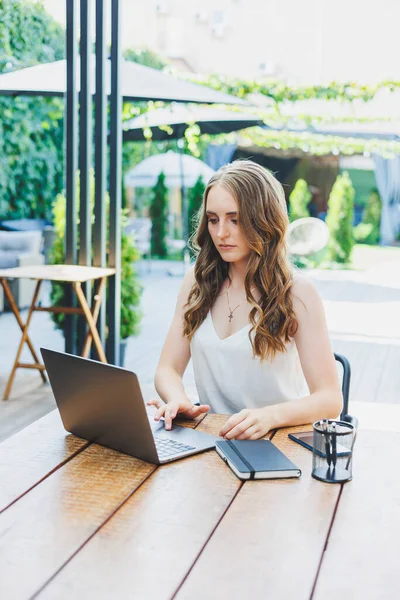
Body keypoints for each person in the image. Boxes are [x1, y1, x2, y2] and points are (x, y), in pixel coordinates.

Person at [148, 160, 342, 440]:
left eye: (235, 219)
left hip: (277, 444)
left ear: (264, 220)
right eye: (213, 219)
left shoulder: (297, 293)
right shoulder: (197, 282)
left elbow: (329, 399)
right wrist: (178, 399)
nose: (220, 233)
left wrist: (270, 416)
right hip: (211, 441)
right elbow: (167, 369)